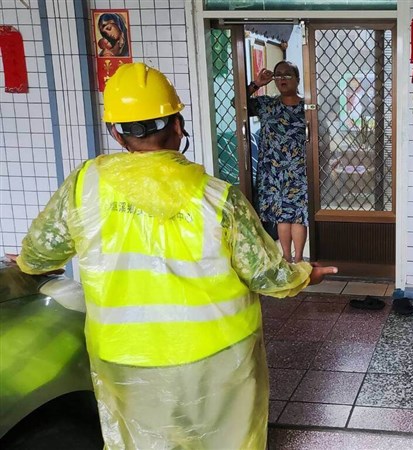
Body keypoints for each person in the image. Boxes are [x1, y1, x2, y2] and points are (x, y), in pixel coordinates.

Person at [15, 62, 336, 449]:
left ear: (117, 134)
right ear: (178, 126)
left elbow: (37, 256)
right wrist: (304, 274)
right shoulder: (219, 198)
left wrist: (24, 268)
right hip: (218, 359)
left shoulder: (83, 187)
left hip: (124, 357)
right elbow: (267, 276)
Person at [247, 60, 308, 262]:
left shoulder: (307, 107)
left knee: (298, 216)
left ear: (297, 79)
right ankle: (285, 257)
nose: (282, 78)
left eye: (288, 74)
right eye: (278, 75)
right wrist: (256, 84)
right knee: (282, 216)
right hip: (273, 172)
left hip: (300, 171)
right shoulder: (266, 105)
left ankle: (298, 259)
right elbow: (237, 103)